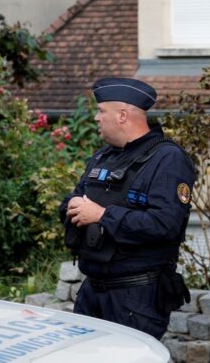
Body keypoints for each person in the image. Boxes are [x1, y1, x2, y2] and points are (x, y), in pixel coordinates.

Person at [60, 77, 194, 339]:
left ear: (122, 115)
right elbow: (73, 200)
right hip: (92, 292)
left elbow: (165, 224)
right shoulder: (104, 156)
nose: (97, 118)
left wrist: (102, 215)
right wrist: (72, 205)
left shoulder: (167, 159)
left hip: (135, 299)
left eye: (101, 111)